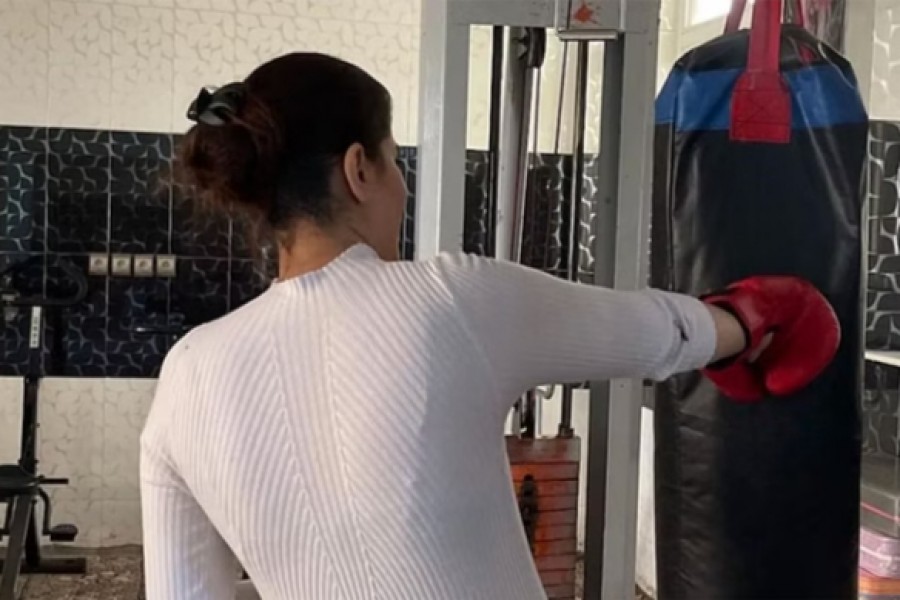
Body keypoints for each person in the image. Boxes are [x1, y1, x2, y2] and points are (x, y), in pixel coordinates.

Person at [140, 52, 839, 600]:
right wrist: (758, 319)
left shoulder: (187, 371)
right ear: (359, 170)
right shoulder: (449, 300)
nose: (402, 188)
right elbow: (659, 332)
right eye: (393, 162)